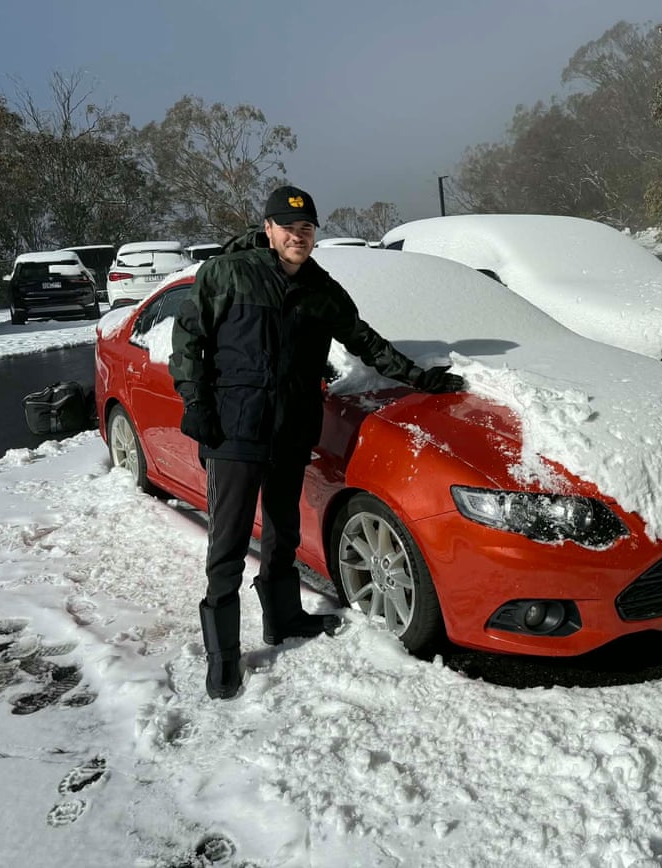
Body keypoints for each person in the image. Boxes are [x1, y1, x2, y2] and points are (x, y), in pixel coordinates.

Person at [169, 184, 464, 699]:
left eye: (306, 229)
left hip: (290, 429)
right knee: (229, 544)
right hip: (233, 429)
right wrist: (196, 405)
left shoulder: (321, 288)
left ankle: (283, 619)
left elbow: (365, 341)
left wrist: (422, 379)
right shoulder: (226, 274)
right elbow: (188, 341)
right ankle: (223, 656)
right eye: (288, 227)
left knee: (283, 531)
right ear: (268, 230)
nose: (298, 236)